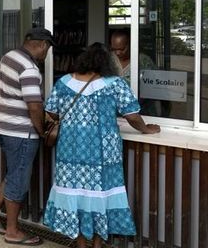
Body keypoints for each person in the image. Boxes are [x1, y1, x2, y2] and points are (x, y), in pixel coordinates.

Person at [43, 43, 160, 248]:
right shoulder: (115, 84)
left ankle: (80, 243)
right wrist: (146, 129)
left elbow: (51, 113)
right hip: (104, 153)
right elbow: (132, 116)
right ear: (107, 63)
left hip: (70, 150)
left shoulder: (64, 83)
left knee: (76, 195)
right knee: (101, 196)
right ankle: (97, 244)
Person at [0, 27, 55, 246]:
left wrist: (9, 102)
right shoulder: (30, 68)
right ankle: (12, 231)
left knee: (13, 174)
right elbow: (34, 106)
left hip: (3, 128)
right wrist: (42, 131)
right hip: (21, 133)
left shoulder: (8, 58)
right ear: (43, 45)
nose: (46, 54)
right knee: (19, 181)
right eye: (47, 49)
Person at [110, 29, 160, 116]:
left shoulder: (143, 61)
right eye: (114, 49)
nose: (118, 53)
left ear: (131, 44)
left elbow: (156, 87)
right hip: (115, 116)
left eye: (122, 49)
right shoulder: (108, 59)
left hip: (142, 114)